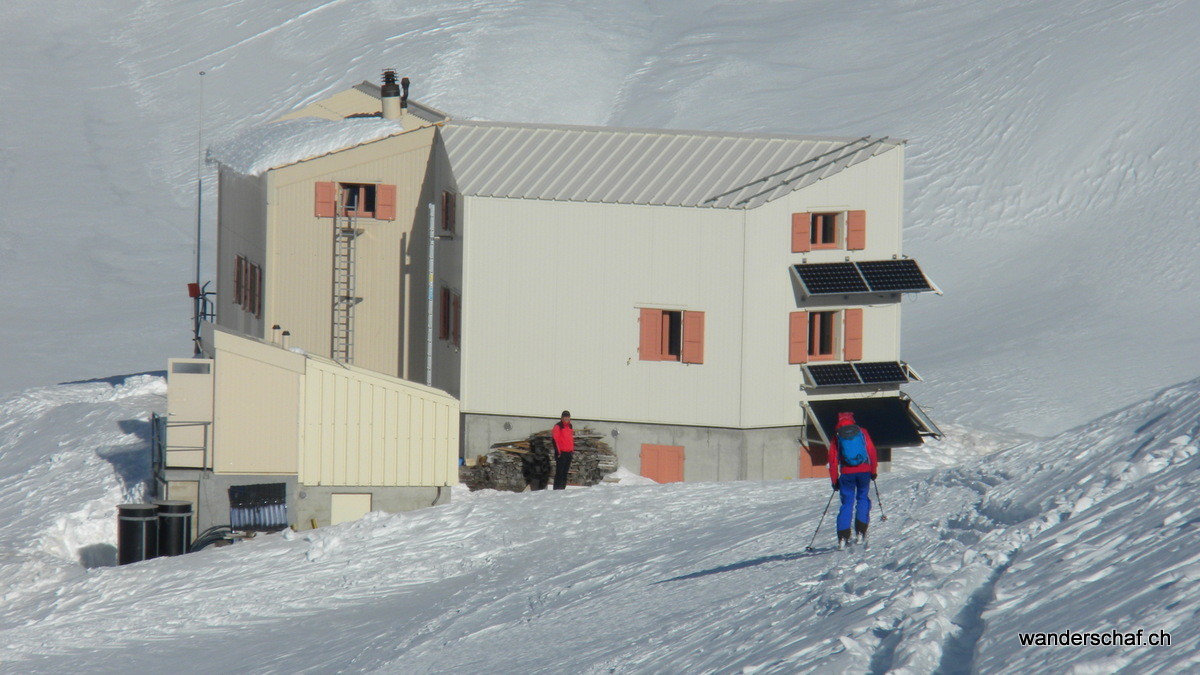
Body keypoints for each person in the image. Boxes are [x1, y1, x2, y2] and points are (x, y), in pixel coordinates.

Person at [828, 412, 878, 549]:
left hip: (846, 473)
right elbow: (871, 451)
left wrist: (834, 480)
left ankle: (843, 537)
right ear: (852, 420)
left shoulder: (837, 435)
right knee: (862, 498)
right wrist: (873, 471)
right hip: (864, 472)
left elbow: (833, 461)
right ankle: (861, 532)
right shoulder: (862, 432)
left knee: (847, 503)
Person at [551, 410, 575, 490]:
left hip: (569, 453)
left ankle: (562, 489)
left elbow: (570, 439)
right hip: (561, 453)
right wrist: (558, 452)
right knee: (559, 473)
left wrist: (572, 450)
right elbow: (555, 439)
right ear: (562, 418)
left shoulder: (570, 426)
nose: (566, 419)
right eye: (565, 417)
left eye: (568, 417)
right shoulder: (558, 426)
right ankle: (556, 489)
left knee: (565, 473)